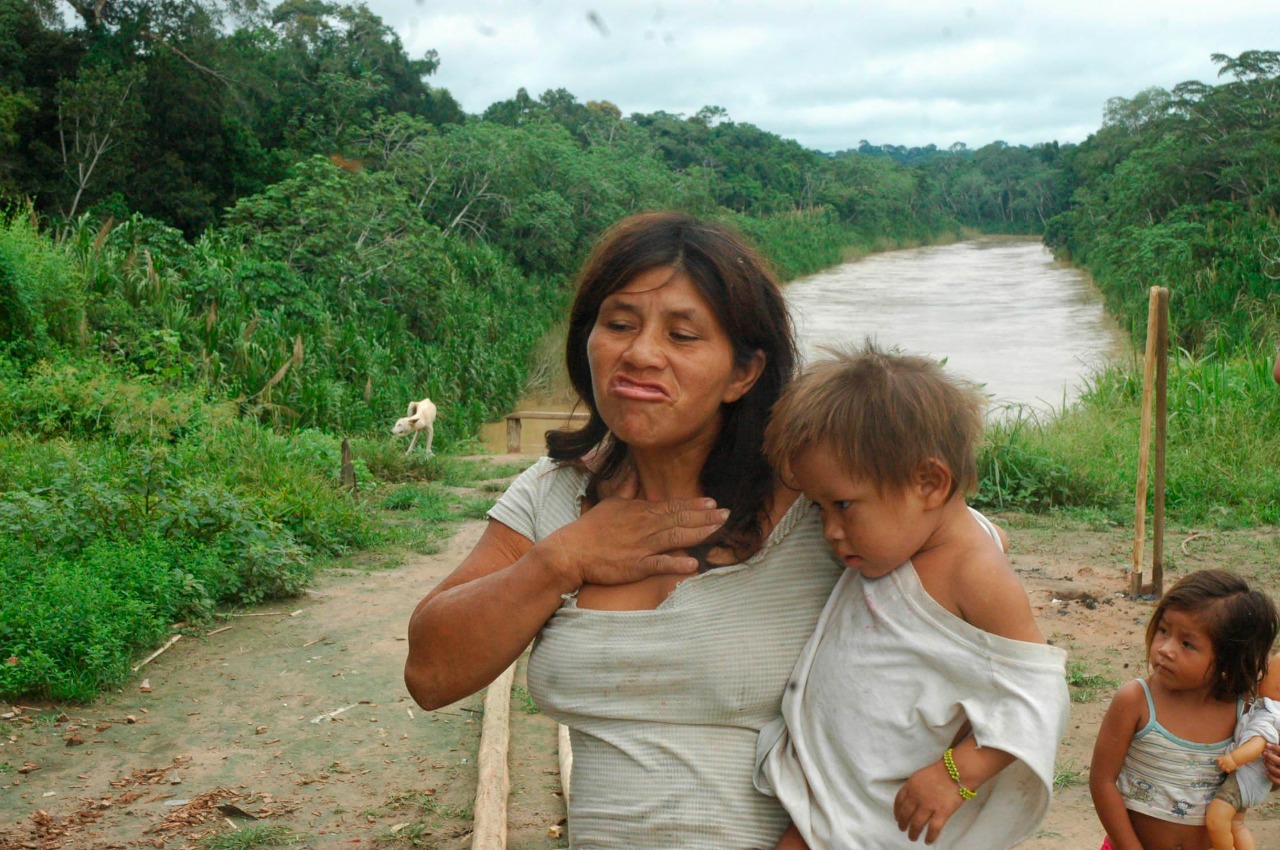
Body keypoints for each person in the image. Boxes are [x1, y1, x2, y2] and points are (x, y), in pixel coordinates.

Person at [404, 211, 851, 849]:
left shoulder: (822, 504)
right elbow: (430, 674)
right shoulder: (554, 491)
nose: (640, 354)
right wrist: (560, 561)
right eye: (618, 325)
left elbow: (943, 662)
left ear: (743, 372)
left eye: (683, 335)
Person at [751, 344, 1070, 849]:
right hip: (838, 787)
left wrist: (955, 773)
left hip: (885, 815)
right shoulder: (916, 538)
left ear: (929, 483)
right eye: (817, 508)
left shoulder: (972, 573)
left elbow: (1038, 695)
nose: (830, 530)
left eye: (843, 505)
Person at [1090, 569, 1279, 850]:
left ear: (1228, 657)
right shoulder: (1136, 701)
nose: (1165, 649)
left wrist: (1273, 774)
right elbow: (1102, 781)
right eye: (1164, 630)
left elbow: (1248, 779)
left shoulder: (1244, 712)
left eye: (1187, 643)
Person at [1208, 657, 1280, 850]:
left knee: (1217, 819)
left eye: (1263, 673)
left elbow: (1258, 742)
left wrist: (1234, 759)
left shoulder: (1269, 715)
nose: (1258, 677)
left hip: (1243, 778)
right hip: (1253, 780)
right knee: (1236, 825)